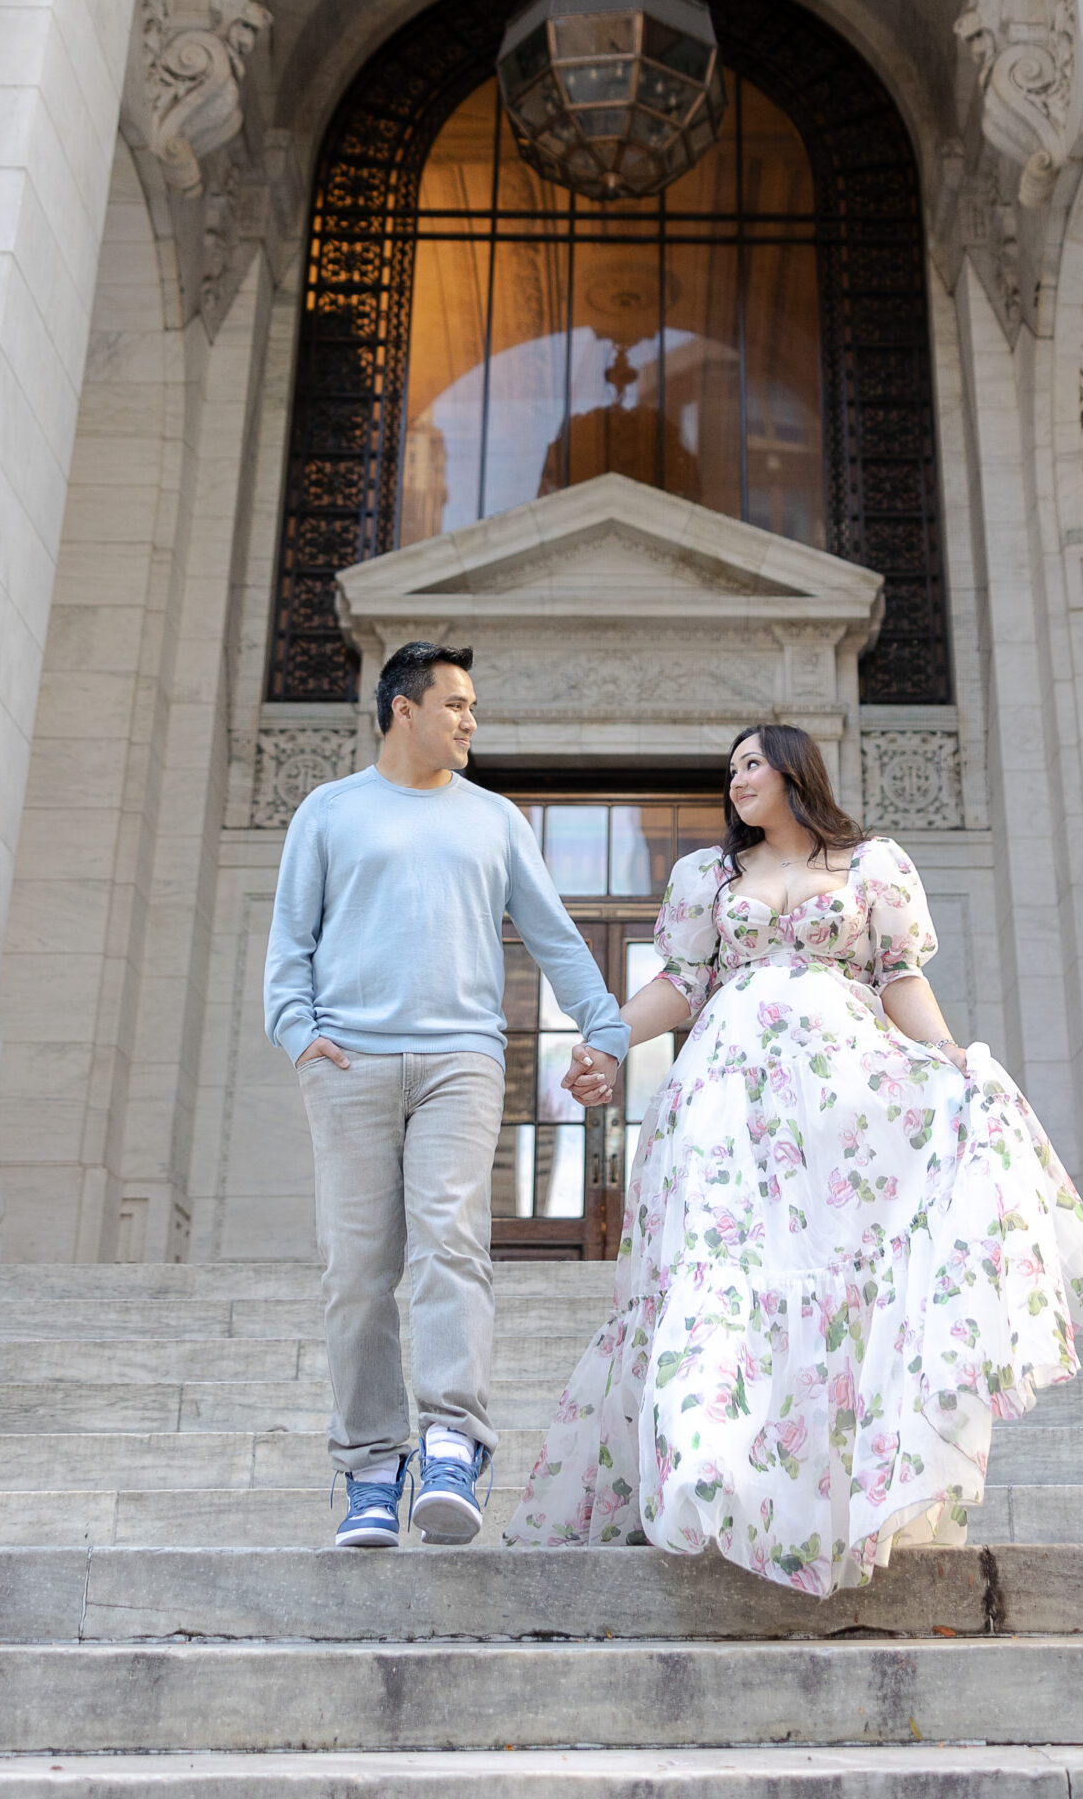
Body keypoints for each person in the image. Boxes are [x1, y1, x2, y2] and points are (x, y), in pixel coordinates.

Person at [510, 722, 1083, 1597]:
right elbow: (679, 985)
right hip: (726, 1101)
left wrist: (949, 1060)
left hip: (846, 1105)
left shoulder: (874, 866)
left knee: (830, 1280)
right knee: (721, 1268)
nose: (736, 781)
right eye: (730, 771)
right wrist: (605, 1042)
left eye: (751, 764)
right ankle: (707, 1463)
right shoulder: (708, 878)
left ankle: (821, 1496)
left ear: (796, 770)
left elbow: (899, 976)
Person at [264, 639, 629, 1550]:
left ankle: (453, 1444)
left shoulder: (495, 819)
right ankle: (370, 1469)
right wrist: (299, 1033)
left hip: (461, 1061)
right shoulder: (330, 811)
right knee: (356, 1271)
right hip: (348, 1064)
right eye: (457, 704)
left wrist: (608, 1030)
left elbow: (554, 936)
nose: (470, 721)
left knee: (451, 1247)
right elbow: (288, 946)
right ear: (404, 710)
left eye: (473, 707)